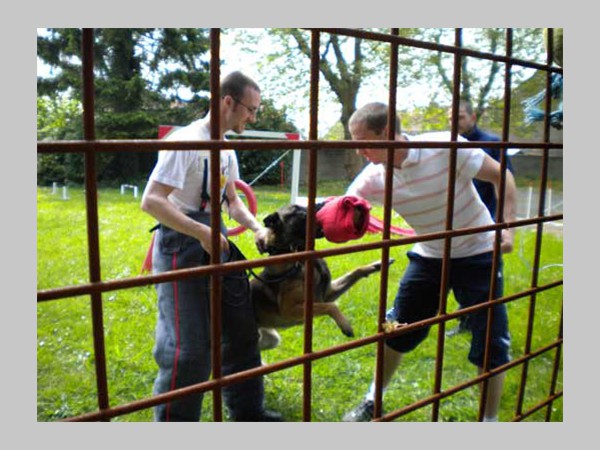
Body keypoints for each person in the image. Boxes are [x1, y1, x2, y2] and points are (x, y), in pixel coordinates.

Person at [341, 102, 516, 422]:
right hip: (429, 257)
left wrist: (506, 226)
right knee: (393, 329)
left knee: (492, 342)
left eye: (364, 142)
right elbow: (339, 210)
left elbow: (501, 176)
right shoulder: (372, 178)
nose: (358, 151)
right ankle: (372, 399)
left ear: (388, 133)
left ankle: (488, 424)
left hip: (478, 253)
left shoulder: (445, 147)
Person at [141, 71, 282, 422]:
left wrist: (254, 226)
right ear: (228, 102)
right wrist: (200, 233)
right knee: (190, 350)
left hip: (214, 240)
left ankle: (249, 412)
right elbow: (152, 201)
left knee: (242, 331)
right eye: (250, 109)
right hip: (180, 242)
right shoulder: (187, 141)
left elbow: (231, 200)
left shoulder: (226, 149)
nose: (253, 117)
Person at [446, 99, 515, 337]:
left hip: (487, 220)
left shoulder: (492, 144)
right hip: (456, 221)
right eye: (449, 119)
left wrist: (504, 225)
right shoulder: (447, 144)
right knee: (456, 273)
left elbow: (504, 181)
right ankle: (465, 320)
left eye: (459, 118)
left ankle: (491, 327)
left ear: (473, 117)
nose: (453, 123)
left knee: (489, 276)